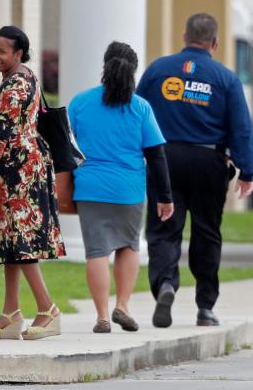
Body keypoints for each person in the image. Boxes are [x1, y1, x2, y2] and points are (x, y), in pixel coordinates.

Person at [137, 13, 253, 328]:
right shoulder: (225, 78)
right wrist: (247, 170)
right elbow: (241, 127)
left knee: (165, 227)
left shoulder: (158, 70)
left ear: (183, 35)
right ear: (215, 43)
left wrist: (135, 154)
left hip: (165, 159)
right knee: (206, 231)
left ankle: (165, 283)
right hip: (209, 162)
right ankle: (205, 306)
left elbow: (137, 112)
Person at [67, 42, 174, 333]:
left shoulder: (81, 102)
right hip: (129, 190)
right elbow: (156, 154)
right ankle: (122, 306)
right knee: (128, 246)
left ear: (105, 65)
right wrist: (165, 196)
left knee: (97, 252)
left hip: (89, 187)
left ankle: (102, 316)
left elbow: (67, 144)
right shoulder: (140, 107)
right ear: (133, 70)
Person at [0, 26, 66, 340]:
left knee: (21, 242)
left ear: (18, 53)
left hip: (20, 172)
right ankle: (11, 313)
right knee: (11, 242)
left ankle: (48, 309)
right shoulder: (25, 77)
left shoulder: (15, 87)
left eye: (2, 51)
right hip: (15, 169)